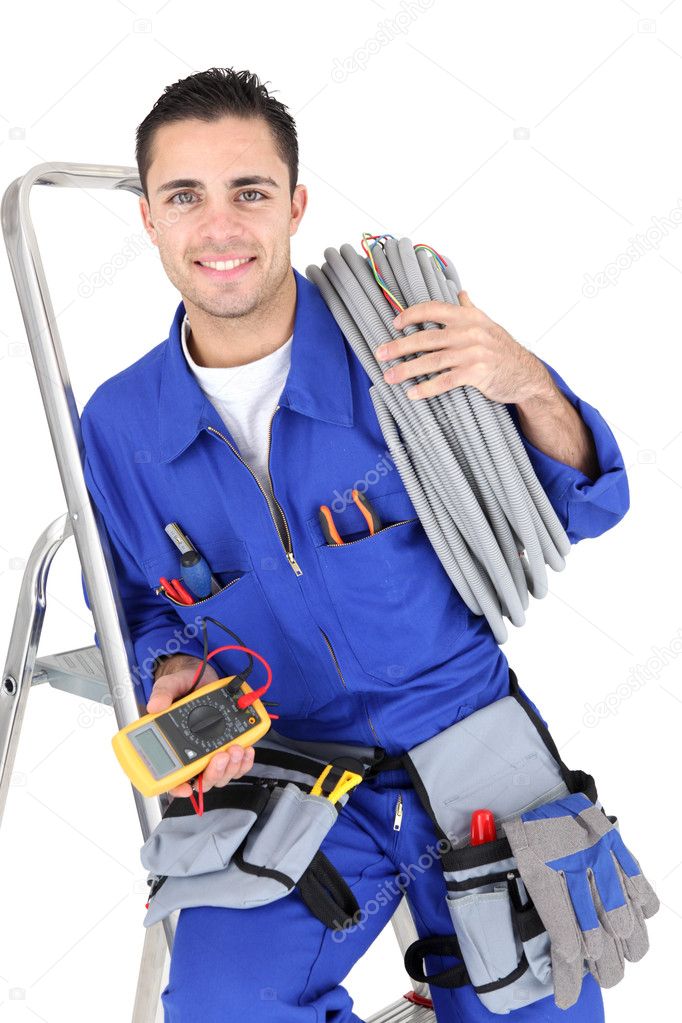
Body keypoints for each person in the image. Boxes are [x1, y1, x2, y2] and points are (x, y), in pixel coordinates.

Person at [80, 67, 629, 1022]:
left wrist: (523, 377)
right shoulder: (121, 423)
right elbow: (137, 599)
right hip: (286, 765)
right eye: (185, 196)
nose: (221, 226)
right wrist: (170, 666)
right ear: (150, 220)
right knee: (223, 1006)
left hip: (470, 742)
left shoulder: (405, 344)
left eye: (249, 192)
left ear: (294, 206)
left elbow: (584, 504)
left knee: (539, 1005)